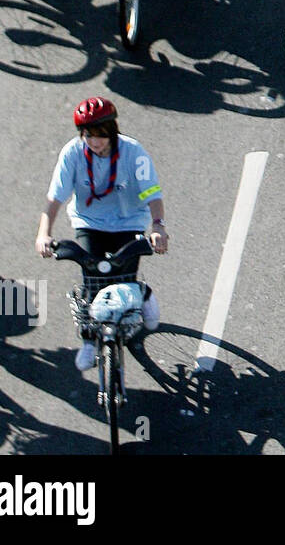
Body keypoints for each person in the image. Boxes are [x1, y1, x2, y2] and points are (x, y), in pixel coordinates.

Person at [35, 97, 169, 371]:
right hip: (89, 222)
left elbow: (151, 193)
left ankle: (143, 295)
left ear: (112, 131)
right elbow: (54, 199)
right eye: (89, 135)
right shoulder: (72, 153)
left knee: (123, 281)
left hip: (128, 222)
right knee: (92, 283)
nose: (95, 142)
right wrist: (43, 234)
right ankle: (89, 341)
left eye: (101, 135)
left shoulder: (134, 153)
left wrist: (158, 226)